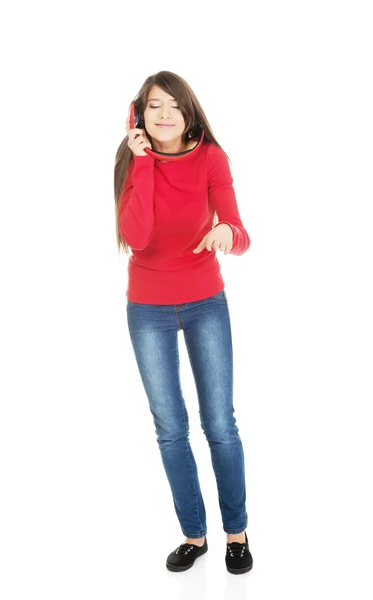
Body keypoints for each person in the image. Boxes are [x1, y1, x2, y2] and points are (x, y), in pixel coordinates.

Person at [114, 71, 253, 574]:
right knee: (171, 428)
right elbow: (139, 235)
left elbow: (240, 234)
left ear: (189, 111)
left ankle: (235, 533)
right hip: (147, 308)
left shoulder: (211, 158)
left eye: (174, 105)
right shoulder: (134, 162)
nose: (165, 114)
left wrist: (224, 233)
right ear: (138, 116)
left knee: (219, 423)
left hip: (204, 302)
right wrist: (144, 162)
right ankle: (194, 536)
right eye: (154, 106)